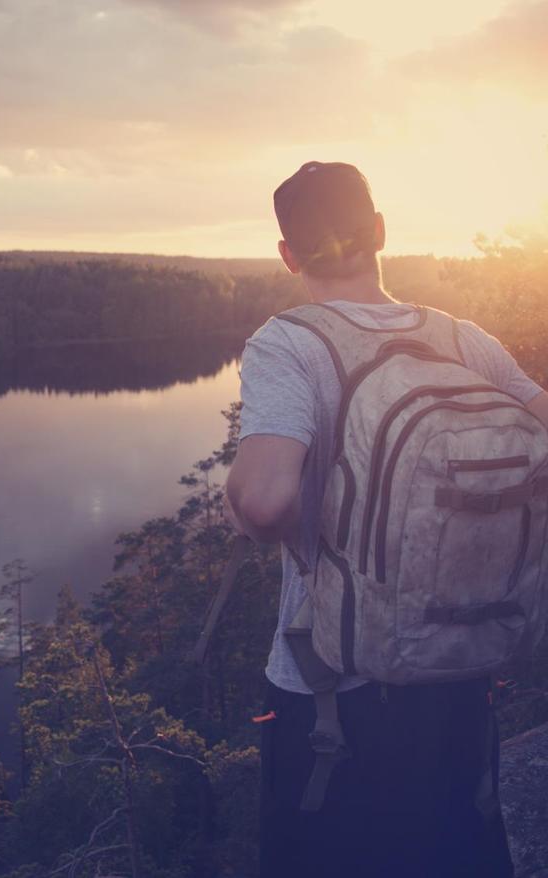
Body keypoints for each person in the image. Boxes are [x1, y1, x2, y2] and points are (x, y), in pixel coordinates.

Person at [224, 161, 548, 878]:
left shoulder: (290, 343)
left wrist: (235, 501)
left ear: (287, 257)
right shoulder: (465, 340)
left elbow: (266, 500)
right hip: (458, 669)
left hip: (330, 693)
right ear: (378, 232)